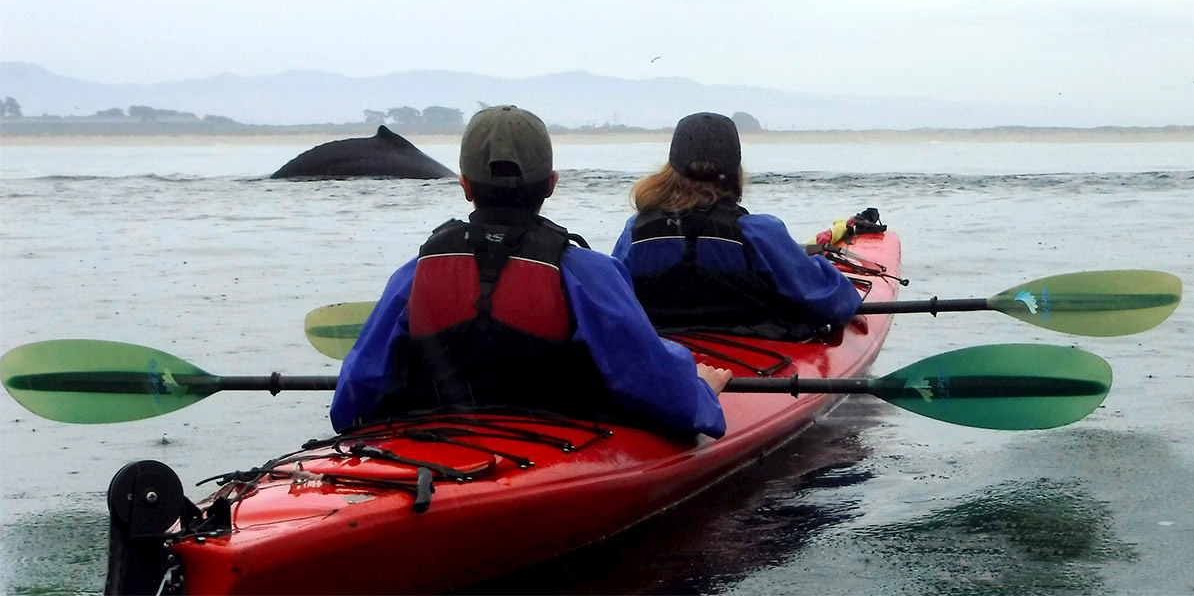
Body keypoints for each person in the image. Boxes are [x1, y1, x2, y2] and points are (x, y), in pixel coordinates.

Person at [330, 105, 730, 437]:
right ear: (552, 184)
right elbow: (661, 392)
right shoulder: (588, 274)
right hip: (554, 440)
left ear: (466, 185)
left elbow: (349, 403)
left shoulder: (414, 274)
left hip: (429, 441)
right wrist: (700, 392)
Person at [612, 112, 865, 338]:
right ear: (735, 171)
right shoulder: (758, 231)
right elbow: (824, 297)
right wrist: (848, 303)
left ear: (671, 169)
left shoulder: (636, 230)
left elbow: (614, 297)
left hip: (664, 345)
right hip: (754, 353)